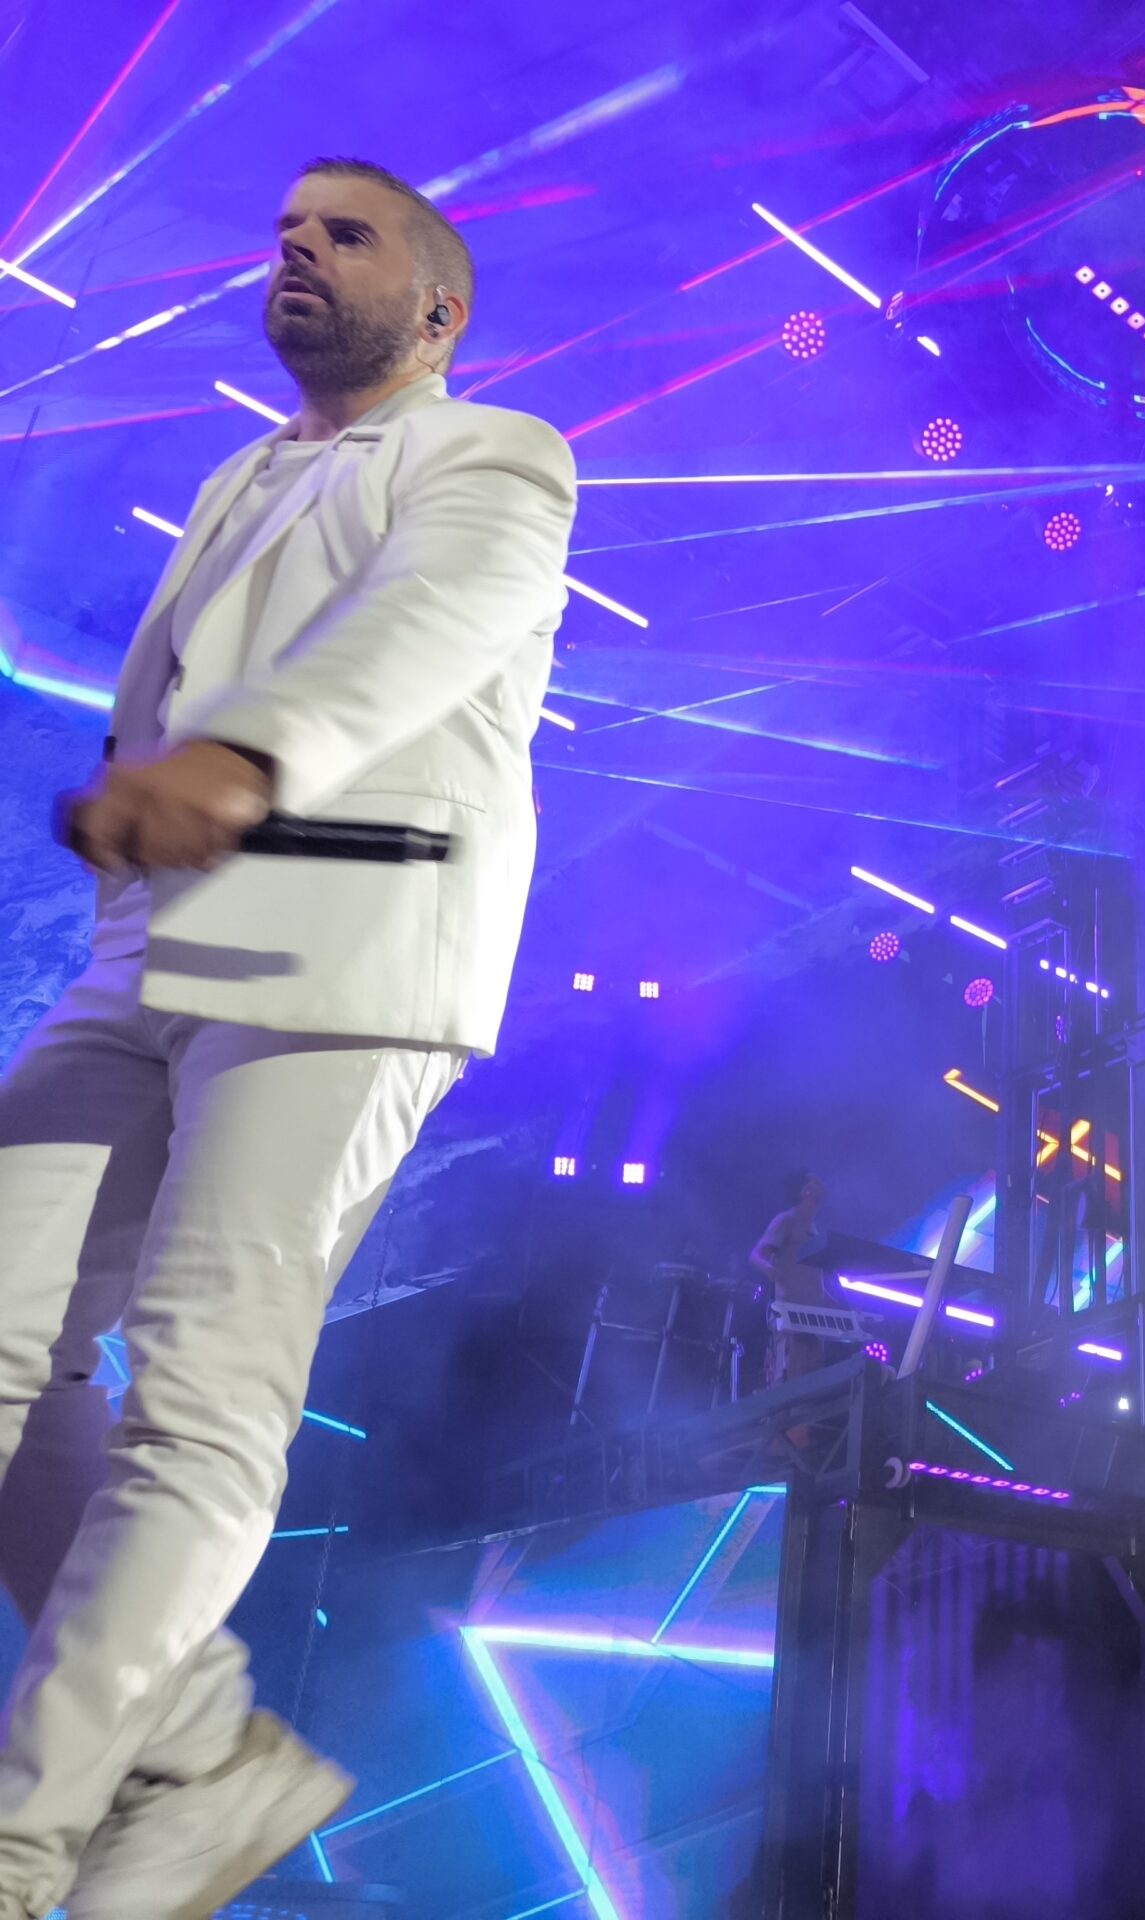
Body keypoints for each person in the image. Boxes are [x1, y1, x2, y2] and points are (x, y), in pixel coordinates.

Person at [0, 159, 575, 1919]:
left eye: (347, 232)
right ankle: (193, 1747)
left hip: (351, 933)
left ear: (440, 307)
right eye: (285, 229)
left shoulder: (498, 453)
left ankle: (26, 1845)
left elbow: (431, 626)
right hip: (155, 948)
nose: (300, 249)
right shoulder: (239, 474)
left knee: (201, 1385)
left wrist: (245, 763)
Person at [750, 1170, 831, 1388]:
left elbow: (811, 1272)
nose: (822, 1185)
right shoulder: (786, 1220)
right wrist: (773, 1271)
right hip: (790, 1315)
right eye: (816, 1181)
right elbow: (757, 1255)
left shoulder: (814, 1228)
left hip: (816, 1317)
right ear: (805, 1191)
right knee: (788, 1378)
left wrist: (829, 1298)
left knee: (812, 1384)